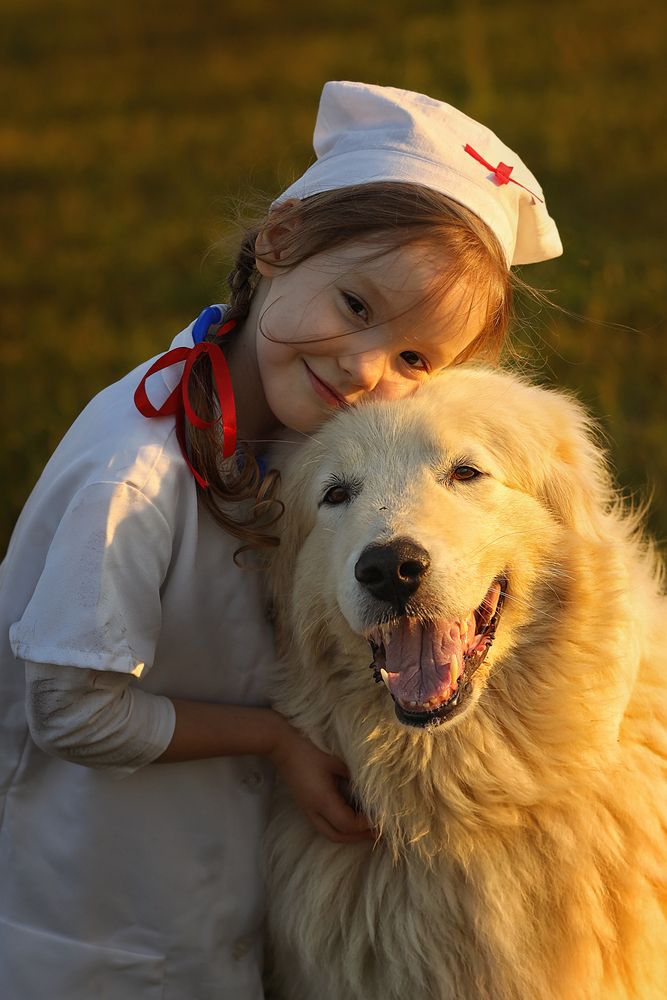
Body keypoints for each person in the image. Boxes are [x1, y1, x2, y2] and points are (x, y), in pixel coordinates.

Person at [0, 81, 562, 999]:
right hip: (98, 899)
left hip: (230, 874)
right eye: (352, 305)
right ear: (277, 242)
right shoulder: (130, 479)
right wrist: (273, 739)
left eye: (415, 359)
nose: (364, 366)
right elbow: (71, 710)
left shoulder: (308, 425)